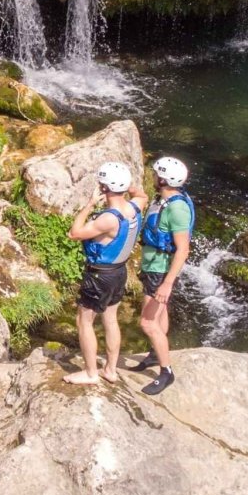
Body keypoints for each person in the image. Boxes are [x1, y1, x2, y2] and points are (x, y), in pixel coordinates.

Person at [64, 161, 145, 386]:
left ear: (104, 188)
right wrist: (126, 187)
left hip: (100, 275)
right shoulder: (136, 206)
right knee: (110, 319)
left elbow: (74, 233)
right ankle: (110, 369)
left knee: (84, 321)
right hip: (119, 272)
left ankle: (91, 373)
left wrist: (90, 204)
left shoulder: (108, 219)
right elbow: (142, 194)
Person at [132, 157, 193, 395]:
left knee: (147, 323)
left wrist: (167, 283)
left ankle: (166, 372)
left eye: (157, 174)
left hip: (159, 271)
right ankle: (157, 354)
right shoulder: (163, 199)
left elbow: (183, 249)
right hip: (152, 267)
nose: (153, 176)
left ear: (164, 179)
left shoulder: (177, 209)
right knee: (160, 314)